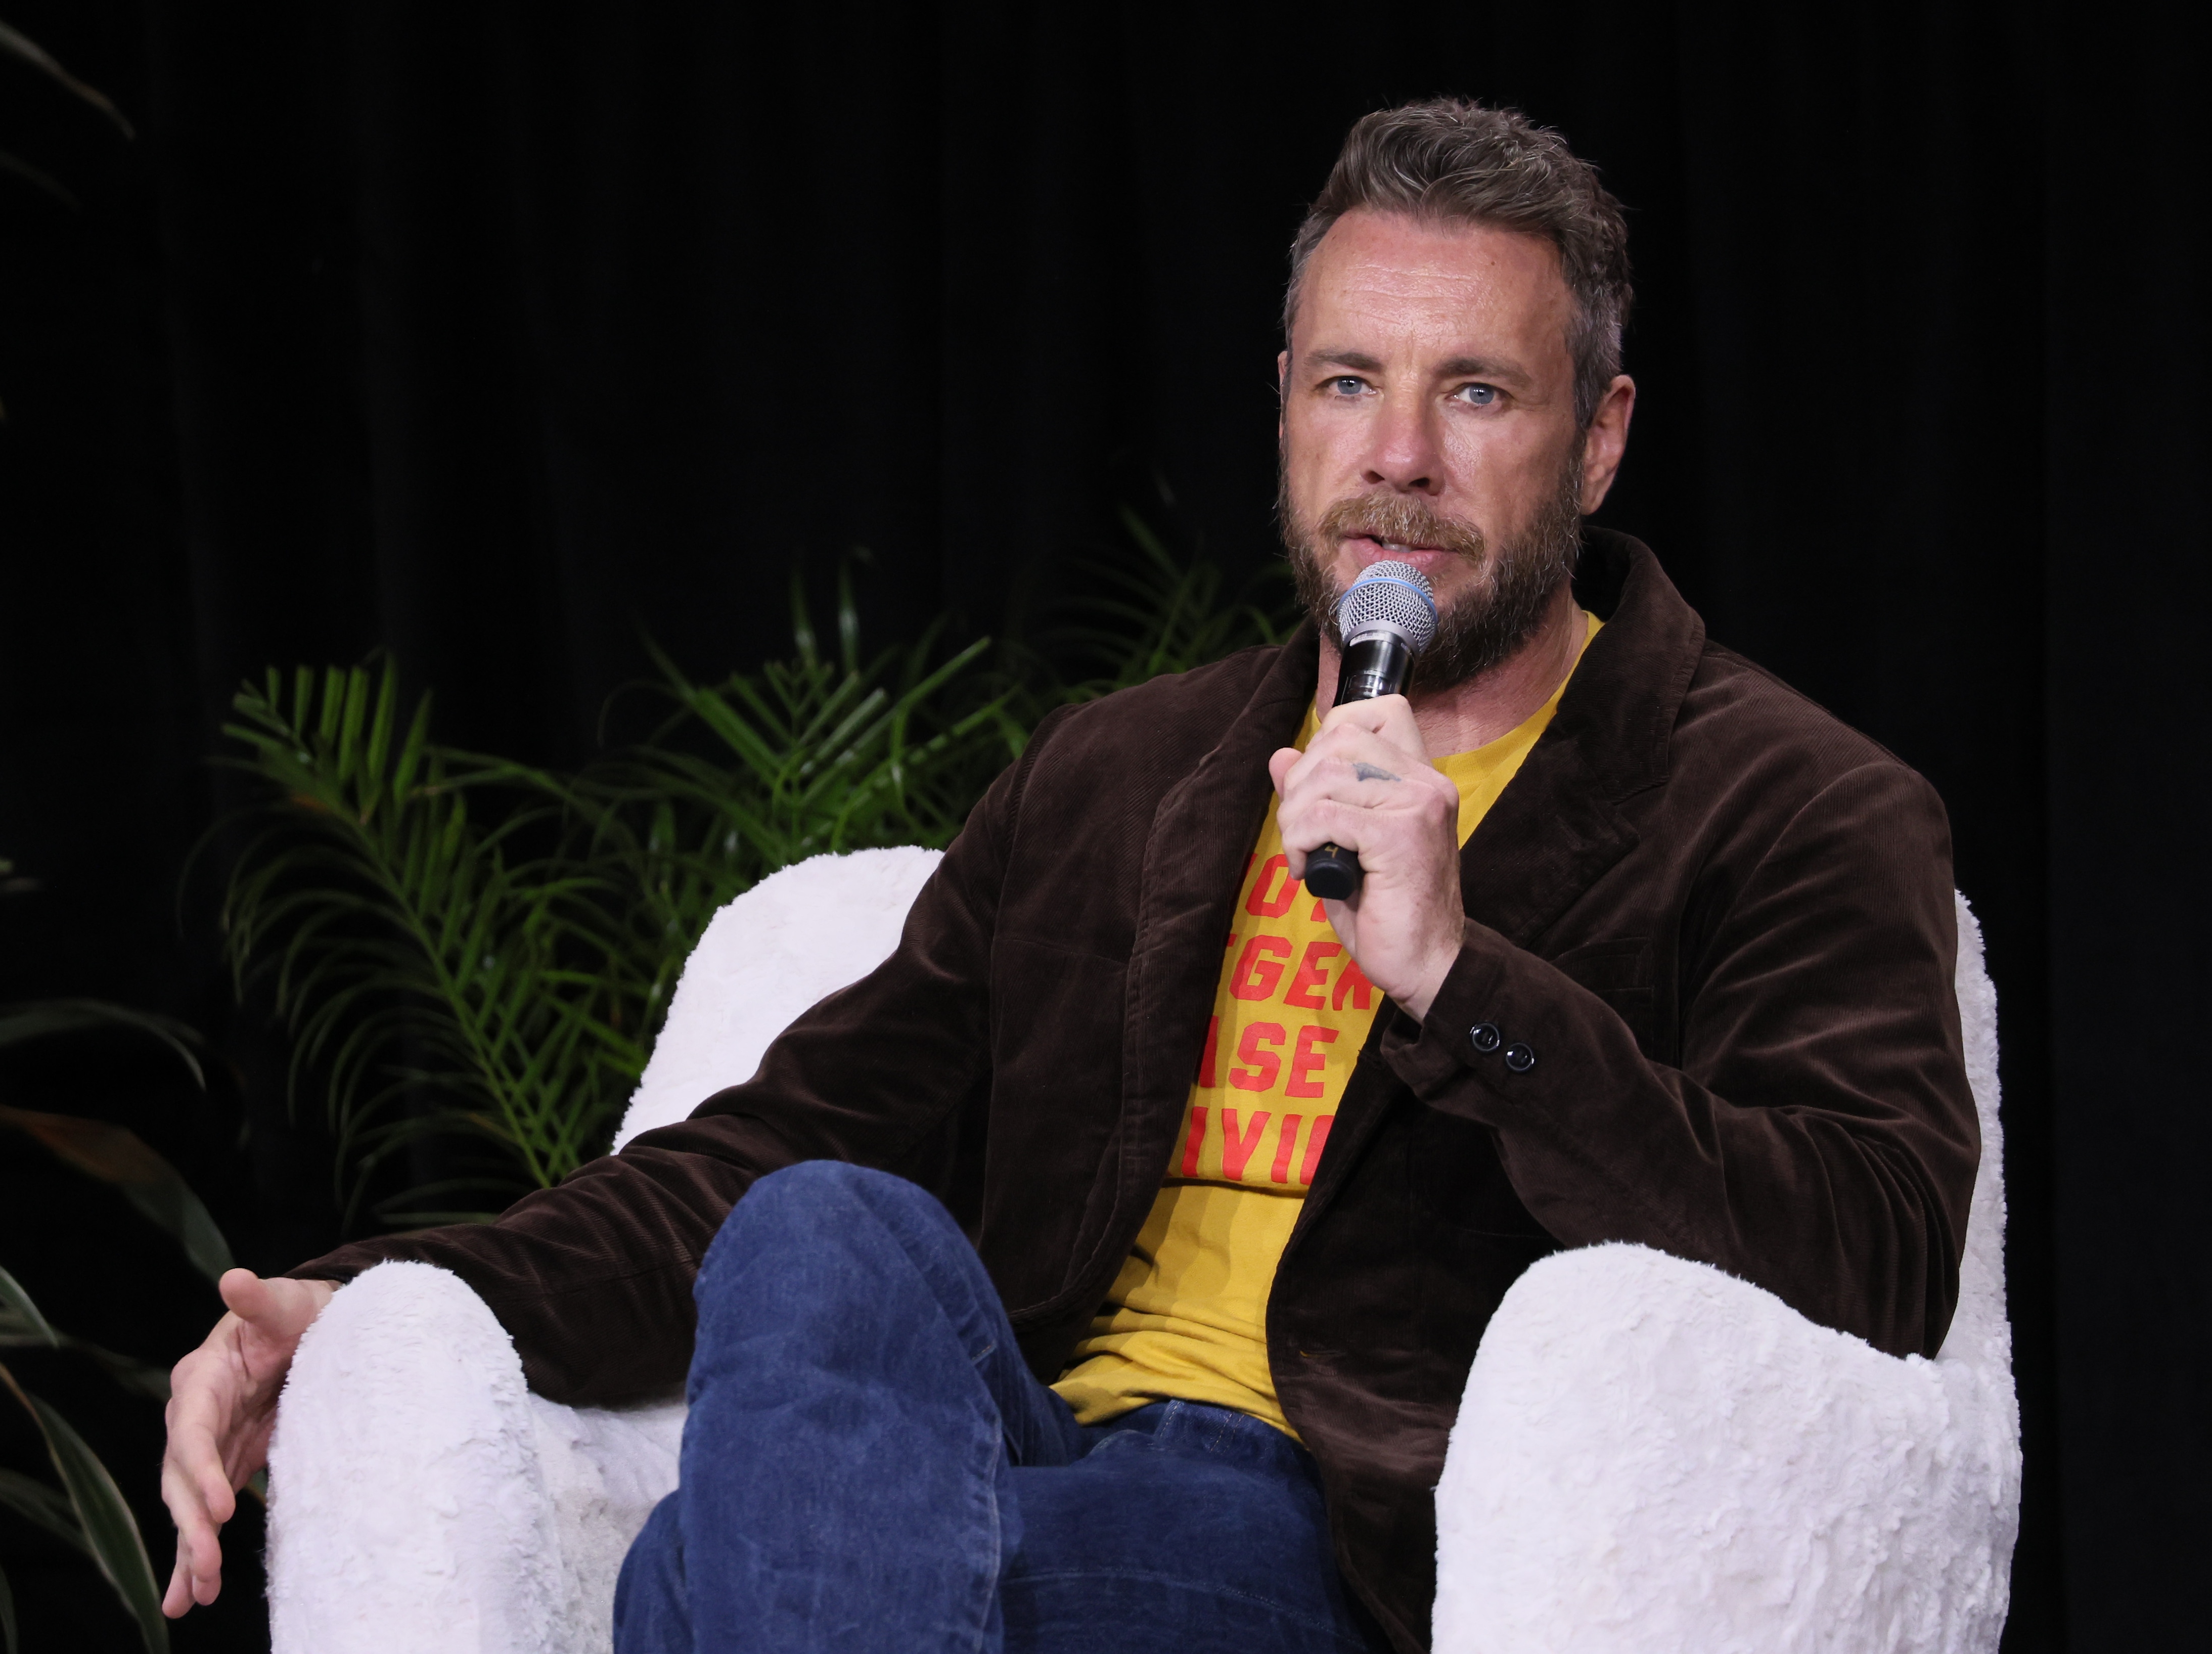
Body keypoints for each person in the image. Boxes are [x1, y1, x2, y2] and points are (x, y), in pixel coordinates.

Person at [160, 99, 1978, 1653]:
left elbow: (1873, 1259)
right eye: (1352, 382)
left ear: (1596, 436)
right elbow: (763, 1152)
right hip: (1014, 1445)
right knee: (819, 1230)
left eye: (1478, 392)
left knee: (698, 1583)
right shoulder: (1126, 775)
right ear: (1285, 409)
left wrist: (1459, 980)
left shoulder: (1793, 808)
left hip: (1334, 1523)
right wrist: (378, 1297)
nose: (1399, 458)